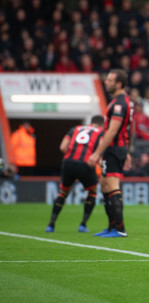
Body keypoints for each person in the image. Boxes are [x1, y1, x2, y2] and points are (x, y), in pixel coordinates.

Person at [87, 69, 134, 238]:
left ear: (119, 83)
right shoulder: (120, 101)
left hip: (114, 148)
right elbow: (130, 127)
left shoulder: (119, 103)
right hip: (116, 148)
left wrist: (96, 153)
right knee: (105, 185)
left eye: (110, 80)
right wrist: (127, 149)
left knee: (112, 185)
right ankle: (111, 227)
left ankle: (120, 229)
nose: (106, 82)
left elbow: (112, 131)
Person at [45, 115, 104, 233]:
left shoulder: (75, 129)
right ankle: (83, 225)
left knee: (63, 192)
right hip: (86, 163)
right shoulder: (101, 132)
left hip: (68, 163)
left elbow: (62, 147)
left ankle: (51, 225)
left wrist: (72, 157)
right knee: (92, 192)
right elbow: (100, 150)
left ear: (90, 122)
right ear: (101, 124)